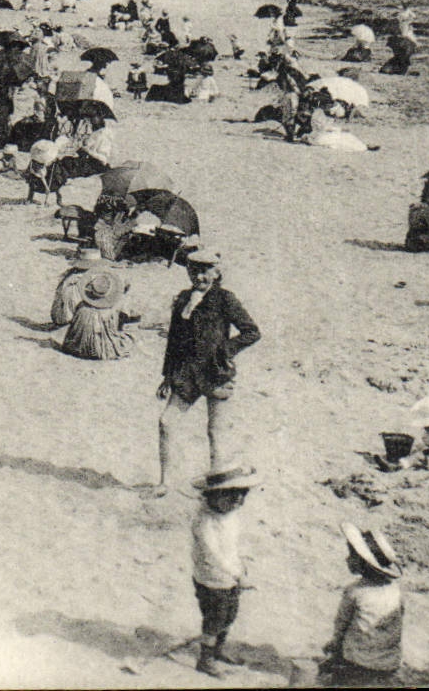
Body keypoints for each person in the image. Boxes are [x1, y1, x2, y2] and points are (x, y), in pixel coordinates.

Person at [151, 247, 260, 496]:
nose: (199, 277)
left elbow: (251, 332)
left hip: (216, 373)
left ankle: (217, 486)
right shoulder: (182, 299)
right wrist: (167, 376)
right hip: (187, 373)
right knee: (166, 422)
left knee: (216, 432)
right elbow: (174, 341)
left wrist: (226, 350)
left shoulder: (225, 299)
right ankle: (164, 483)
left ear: (216, 272)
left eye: (205, 272)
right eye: (194, 271)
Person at [187, 465, 259, 678]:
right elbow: (213, 555)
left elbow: (233, 545)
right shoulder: (204, 521)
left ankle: (218, 649)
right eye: (230, 497)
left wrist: (241, 565)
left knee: (230, 615)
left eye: (241, 496)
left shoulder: (230, 515)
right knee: (214, 619)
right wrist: (236, 574)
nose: (237, 502)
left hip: (232, 576)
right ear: (213, 495)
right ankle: (205, 659)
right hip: (211, 579)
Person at [320, 525, 403, 687]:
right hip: (390, 663)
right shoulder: (396, 591)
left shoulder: (355, 591)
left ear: (364, 563)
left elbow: (341, 627)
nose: (347, 559)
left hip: (358, 663)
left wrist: (334, 648)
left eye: (352, 555)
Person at [57, 269, 137, 360]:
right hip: (102, 351)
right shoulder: (111, 310)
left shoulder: (81, 307)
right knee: (129, 338)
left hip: (76, 350)